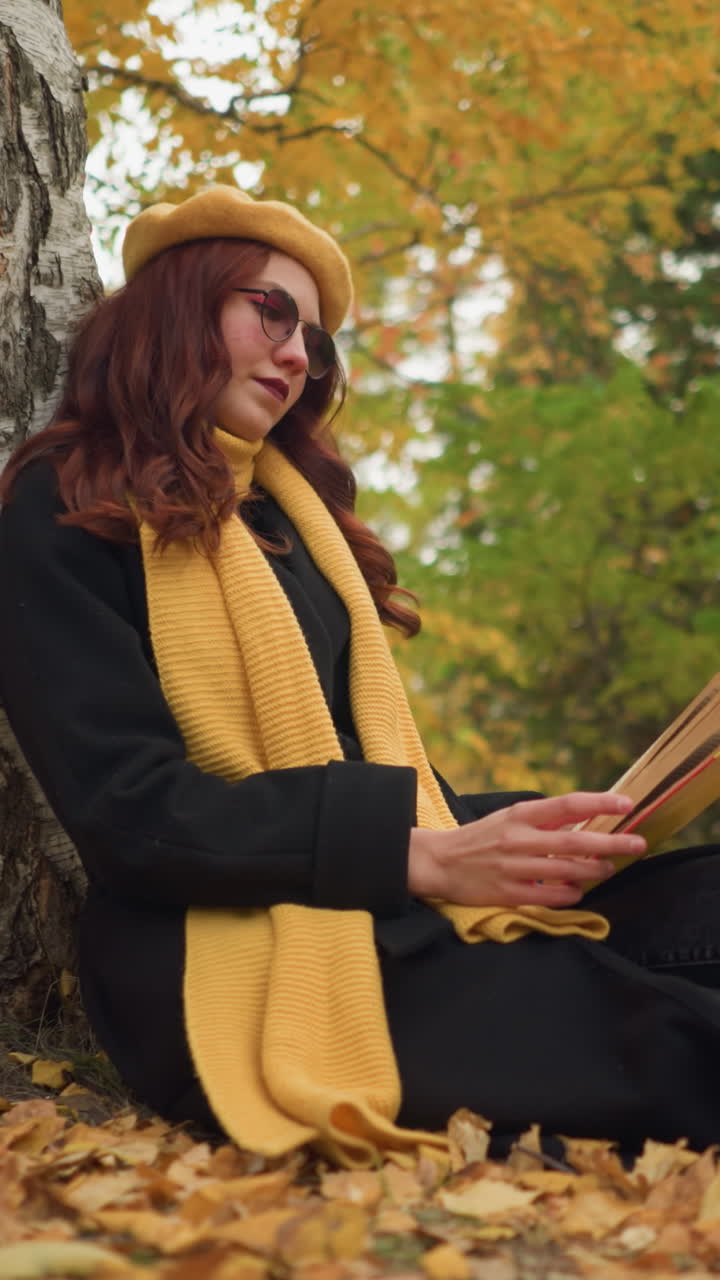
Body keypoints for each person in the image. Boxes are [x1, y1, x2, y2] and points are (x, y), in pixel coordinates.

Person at [3, 185, 720, 1166]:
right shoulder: (66, 502)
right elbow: (133, 813)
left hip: (392, 896)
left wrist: (546, 827)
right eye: (272, 310)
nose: (300, 354)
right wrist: (424, 857)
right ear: (177, 303)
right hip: (224, 952)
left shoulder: (296, 527)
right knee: (679, 1044)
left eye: (314, 338)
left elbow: (378, 781)